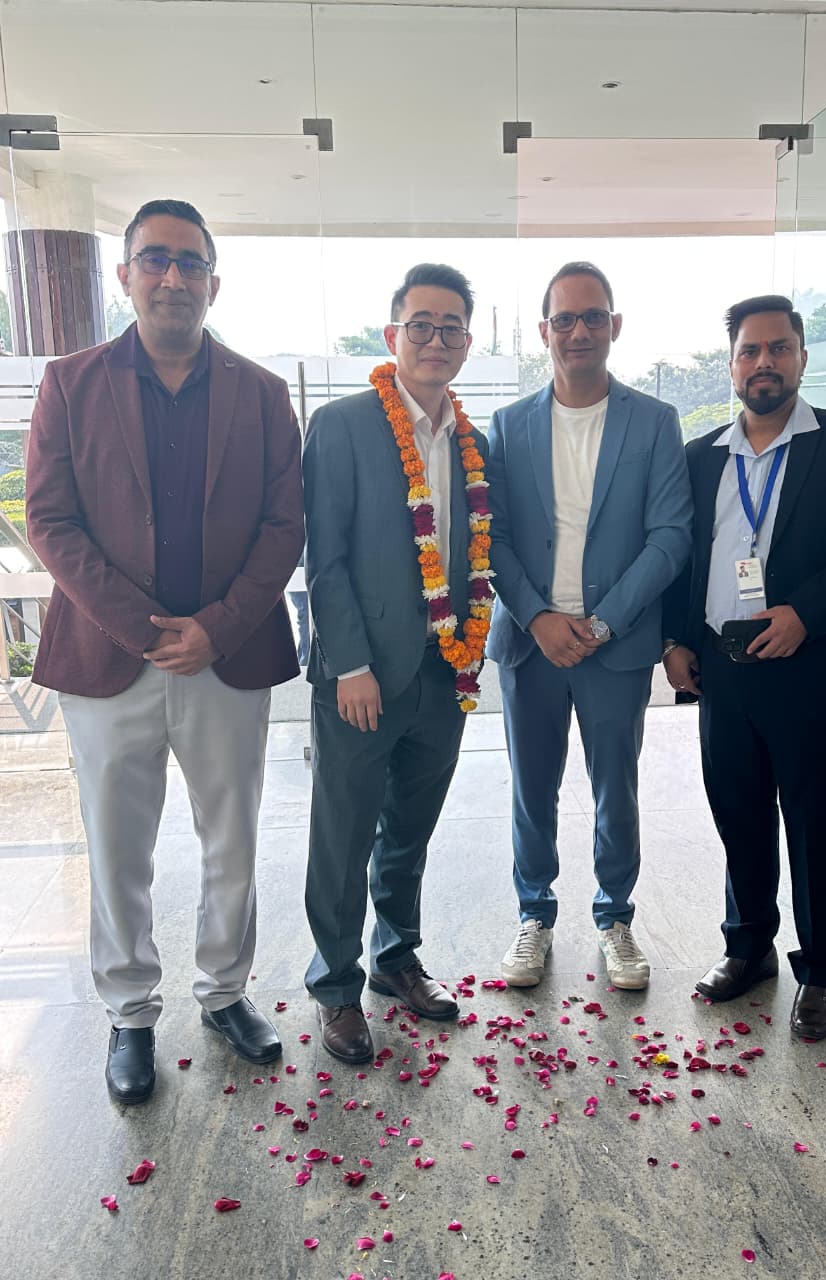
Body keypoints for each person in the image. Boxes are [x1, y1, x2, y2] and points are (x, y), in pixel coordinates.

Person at [26, 199, 304, 1104]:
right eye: (156, 259)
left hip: (229, 655)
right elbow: (51, 522)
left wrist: (216, 625)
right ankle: (130, 1013)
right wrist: (144, 629)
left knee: (232, 837)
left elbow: (284, 525)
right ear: (126, 275)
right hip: (111, 661)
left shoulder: (261, 393)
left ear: (215, 282)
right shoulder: (70, 383)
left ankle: (225, 993)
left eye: (191, 263)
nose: (174, 277)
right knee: (117, 845)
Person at [662, 294, 826, 1040]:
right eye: (749, 350)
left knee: (813, 824)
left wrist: (806, 612)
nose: (763, 362)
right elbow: (681, 557)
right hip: (723, 670)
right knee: (738, 815)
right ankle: (748, 949)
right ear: (732, 364)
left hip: (811, 668)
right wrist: (674, 641)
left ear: (801, 356)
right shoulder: (701, 457)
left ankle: (820, 971)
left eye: (777, 348)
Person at [302, 263, 492, 1063]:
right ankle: (335, 985)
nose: (436, 340)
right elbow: (324, 557)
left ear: (467, 342)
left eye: (451, 327)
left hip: (444, 675)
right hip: (364, 676)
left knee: (410, 829)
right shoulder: (343, 425)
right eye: (421, 324)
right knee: (343, 834)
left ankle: (395, 958)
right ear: (392, 335)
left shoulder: (475, 442)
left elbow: (478, 553)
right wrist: (348, 664)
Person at [487, 262, 693, 990]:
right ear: (544, 330)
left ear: (615, 326)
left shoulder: (654, 421)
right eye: (565, 319)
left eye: (593, 317)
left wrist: (603, 624)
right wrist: (538, 616)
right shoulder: (509, 426)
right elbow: (493, 537)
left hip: (617, 645)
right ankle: (534, 915)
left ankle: (615, 918)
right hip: (531, 645)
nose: (579, 331)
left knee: (616, 790)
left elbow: (670, 536)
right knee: (531, 788)